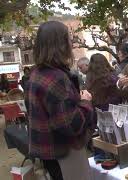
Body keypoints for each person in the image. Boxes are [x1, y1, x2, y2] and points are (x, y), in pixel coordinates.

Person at [25, 21, 95, 180]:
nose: (71, 44)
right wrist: (85, 102)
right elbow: (70, 125)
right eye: (69, 39)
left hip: (49, 154)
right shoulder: (56, 78)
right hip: (64, 153)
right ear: (61, 44)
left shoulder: (36, 74)